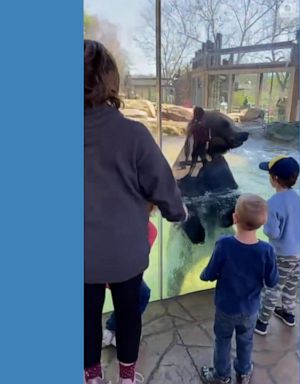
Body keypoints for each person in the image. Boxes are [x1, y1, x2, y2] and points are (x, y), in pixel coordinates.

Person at [84, 40, 187, 384]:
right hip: (126, 254)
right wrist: (177, 214)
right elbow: (163, 186)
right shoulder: (133, 134)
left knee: (85, 318)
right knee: (129, 315)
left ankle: (92, 377)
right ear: (111, 82)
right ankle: (127, 378)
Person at [200, 195, 279, 384]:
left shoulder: (224, 245)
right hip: (250, 309)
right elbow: (272, 281)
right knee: (246, 340)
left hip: (226, 308)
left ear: (235, 218)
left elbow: (210, 273)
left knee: (223, 340)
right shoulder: (266, 251)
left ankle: (221, 376)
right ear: (264, 221)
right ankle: (243, 373)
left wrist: (204, 275)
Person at [254, 156, 300, 336]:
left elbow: (273, 233)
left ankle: (262, 323)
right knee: (291, 284)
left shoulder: (273, 203)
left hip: (282, 254)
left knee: (272, 287)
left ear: (275, 179)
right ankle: (288, 314)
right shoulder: (299, 198)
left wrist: (265, 224)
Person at [102, 204, 158, 349]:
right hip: (101, 267)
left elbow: (138, 261)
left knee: (142, 294)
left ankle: (117, 327)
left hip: (125, 272)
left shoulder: (150, 230)